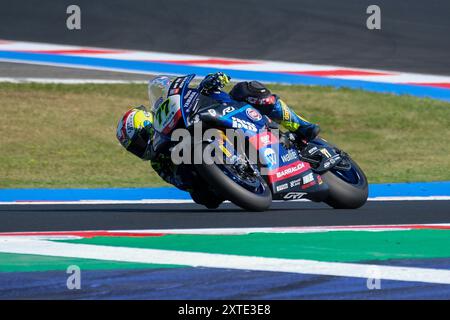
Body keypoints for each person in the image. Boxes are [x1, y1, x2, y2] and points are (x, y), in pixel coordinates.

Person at [116, 72, 320, 204]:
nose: (140, 149)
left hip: (233, 115)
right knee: (204, 198)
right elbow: (181, 183)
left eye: (140, 140)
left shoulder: (173, 117)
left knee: (249, 90)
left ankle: (302, 126)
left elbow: (202, 96)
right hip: (217, 185)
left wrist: (211, 84)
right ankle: (245, 171)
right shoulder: (159, 162)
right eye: (135, 148)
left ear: (150, 124)